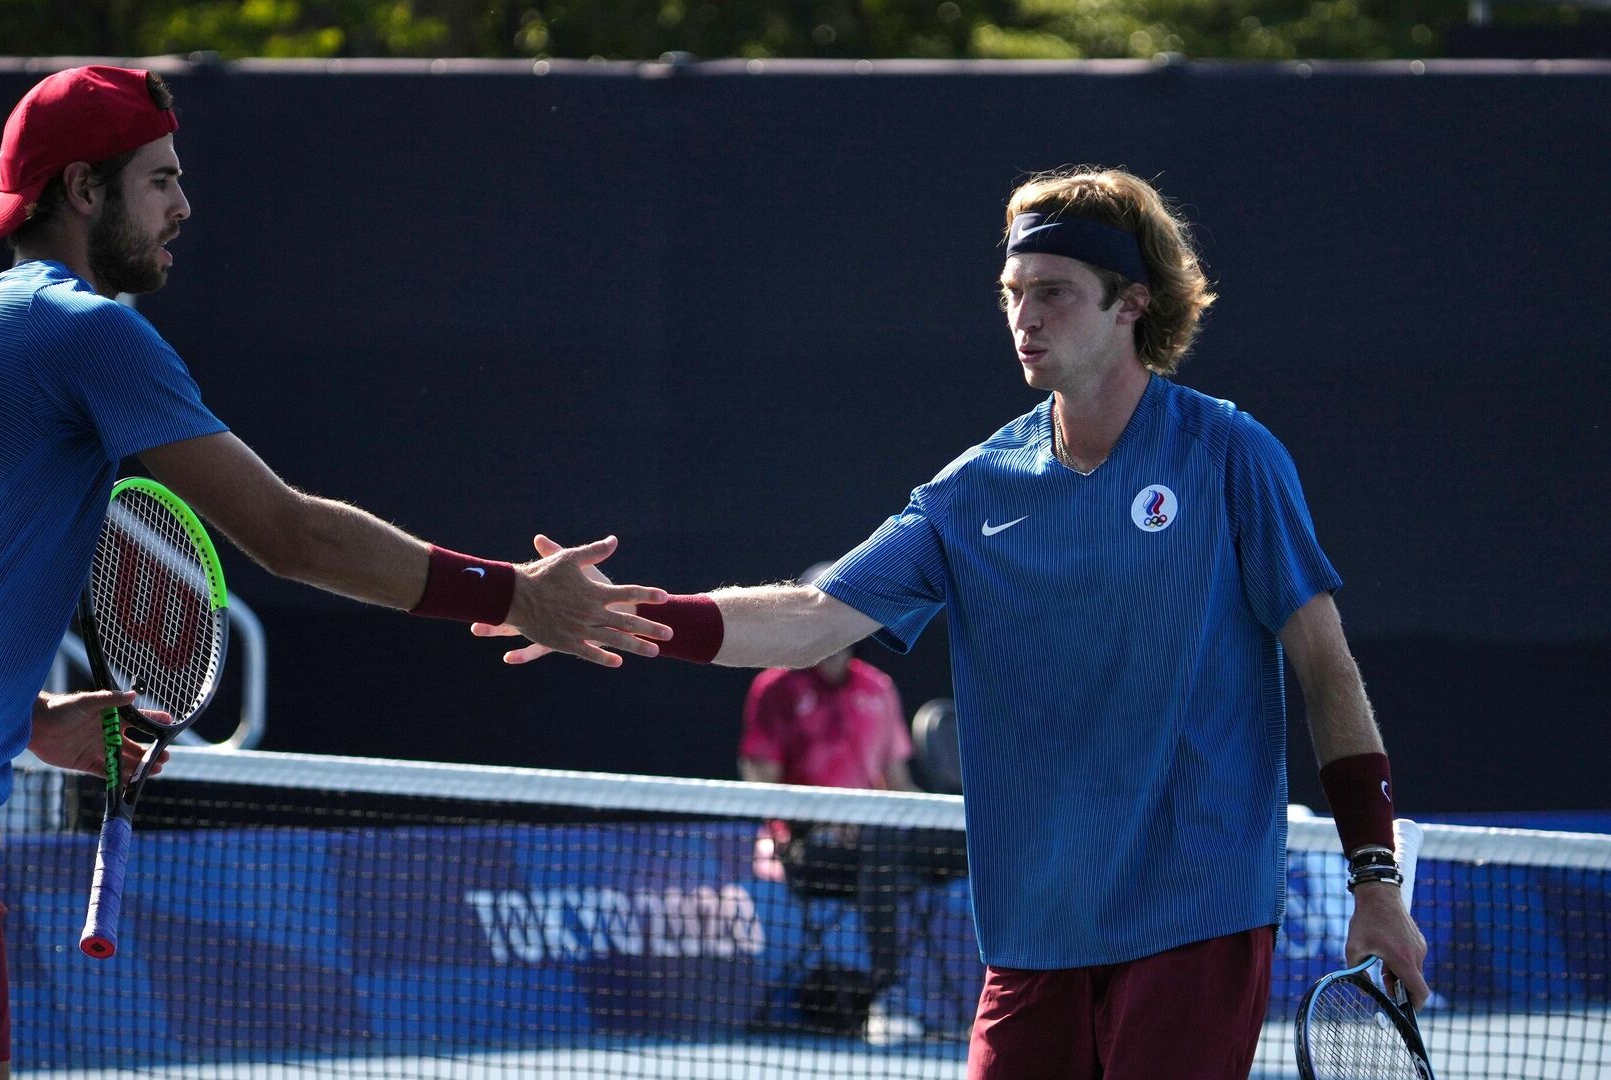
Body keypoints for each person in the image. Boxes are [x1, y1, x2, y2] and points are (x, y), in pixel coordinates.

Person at [0, 65, 671, 1080]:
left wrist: (26, 714)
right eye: (159, 180)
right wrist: (516, 592)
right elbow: (291, 536)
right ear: (84, 191)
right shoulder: (82, 330)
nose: (183, 205)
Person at [480, 167, 1429, 1078]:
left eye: (1053, 292)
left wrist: (1375, 883)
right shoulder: (971, 492)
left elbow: (1327, 672)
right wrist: (627, 615)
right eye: (1012, 291)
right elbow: (813, 619)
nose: (1023, 316)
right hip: (1032, 928)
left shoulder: (1231, 456)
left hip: (1198, 910)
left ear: (1132, 302)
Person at [739, 565, 964, 1043]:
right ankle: (887, 996)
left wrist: (946, 818)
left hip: (876, 840)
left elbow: (899, 787)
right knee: (881, 845)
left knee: (975, 841)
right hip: (809, 850)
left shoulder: (877, 688)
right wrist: (821, 819)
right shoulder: (775, 689)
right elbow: (762, 785)